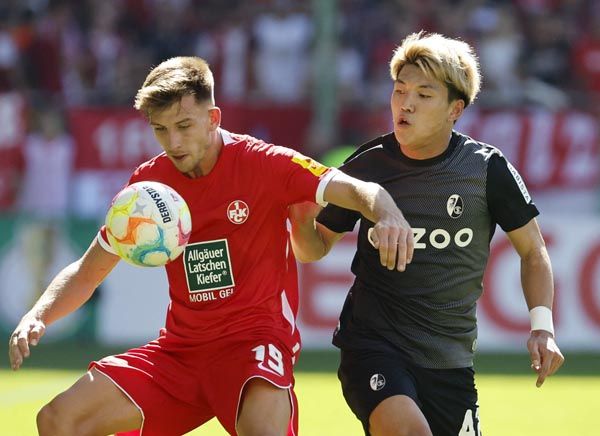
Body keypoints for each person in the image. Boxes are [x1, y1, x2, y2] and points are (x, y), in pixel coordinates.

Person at [7, 56, 412, 436]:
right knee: (58, 419)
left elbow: (357, 190)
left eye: (184, 125)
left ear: (213, 117)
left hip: (255, 343)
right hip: (180, 353)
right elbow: (87, 270)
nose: (173, 142)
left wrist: (388, 214)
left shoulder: (264, 163)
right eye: (161, 130)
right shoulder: (148, 189)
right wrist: (38, 315)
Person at [290, 32, 565, 436]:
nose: (405, 103)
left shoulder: (485, 169)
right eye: (400, 91)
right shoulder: (366, 166)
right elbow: (314, 249)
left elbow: (533, 251)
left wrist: (542, 327)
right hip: (373, 347)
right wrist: (300, 220)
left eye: (423, 94)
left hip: (450, 363)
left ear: (455, 109)